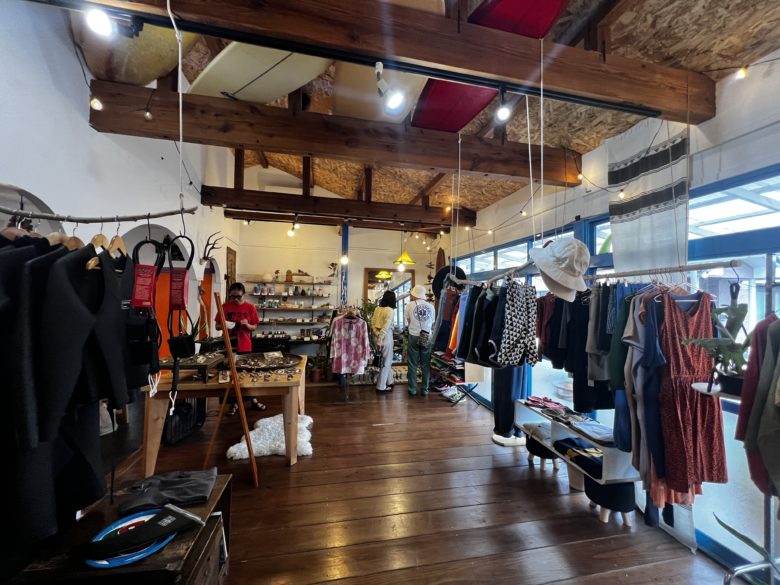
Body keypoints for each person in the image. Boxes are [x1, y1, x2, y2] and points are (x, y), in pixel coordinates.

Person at [215, 282, 265, 415]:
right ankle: (233, 403)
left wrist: (247, 325)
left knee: (247, 373)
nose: (235, 299)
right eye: (232, 297)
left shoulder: (250, 307)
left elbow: (254, 326)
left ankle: (253, 400)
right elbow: (217, 326)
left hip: (245, 344)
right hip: (229, 344)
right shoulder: (225, 307)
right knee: (231, 375)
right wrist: (226, 324)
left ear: (244, 295)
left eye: (238, 297)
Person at [405, 284, 435, 396]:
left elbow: (408, 321)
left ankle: (412, 389)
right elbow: (432, 322)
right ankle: (425, 389)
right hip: (426, 336)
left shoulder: (409, 305)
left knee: (412, 363)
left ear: (414, 294)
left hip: (413, 335)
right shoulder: (431, 306)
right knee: (425, 364)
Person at [371, 290, 396, 392]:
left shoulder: (377, 309)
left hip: (376, 336)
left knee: (385, 360)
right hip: (386, 337)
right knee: (387, 362)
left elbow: (372, 323)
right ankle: (381, 386)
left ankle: (390, 381)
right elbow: (386, 327)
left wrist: (377, 335)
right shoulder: (390, 310)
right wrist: (380, 338)